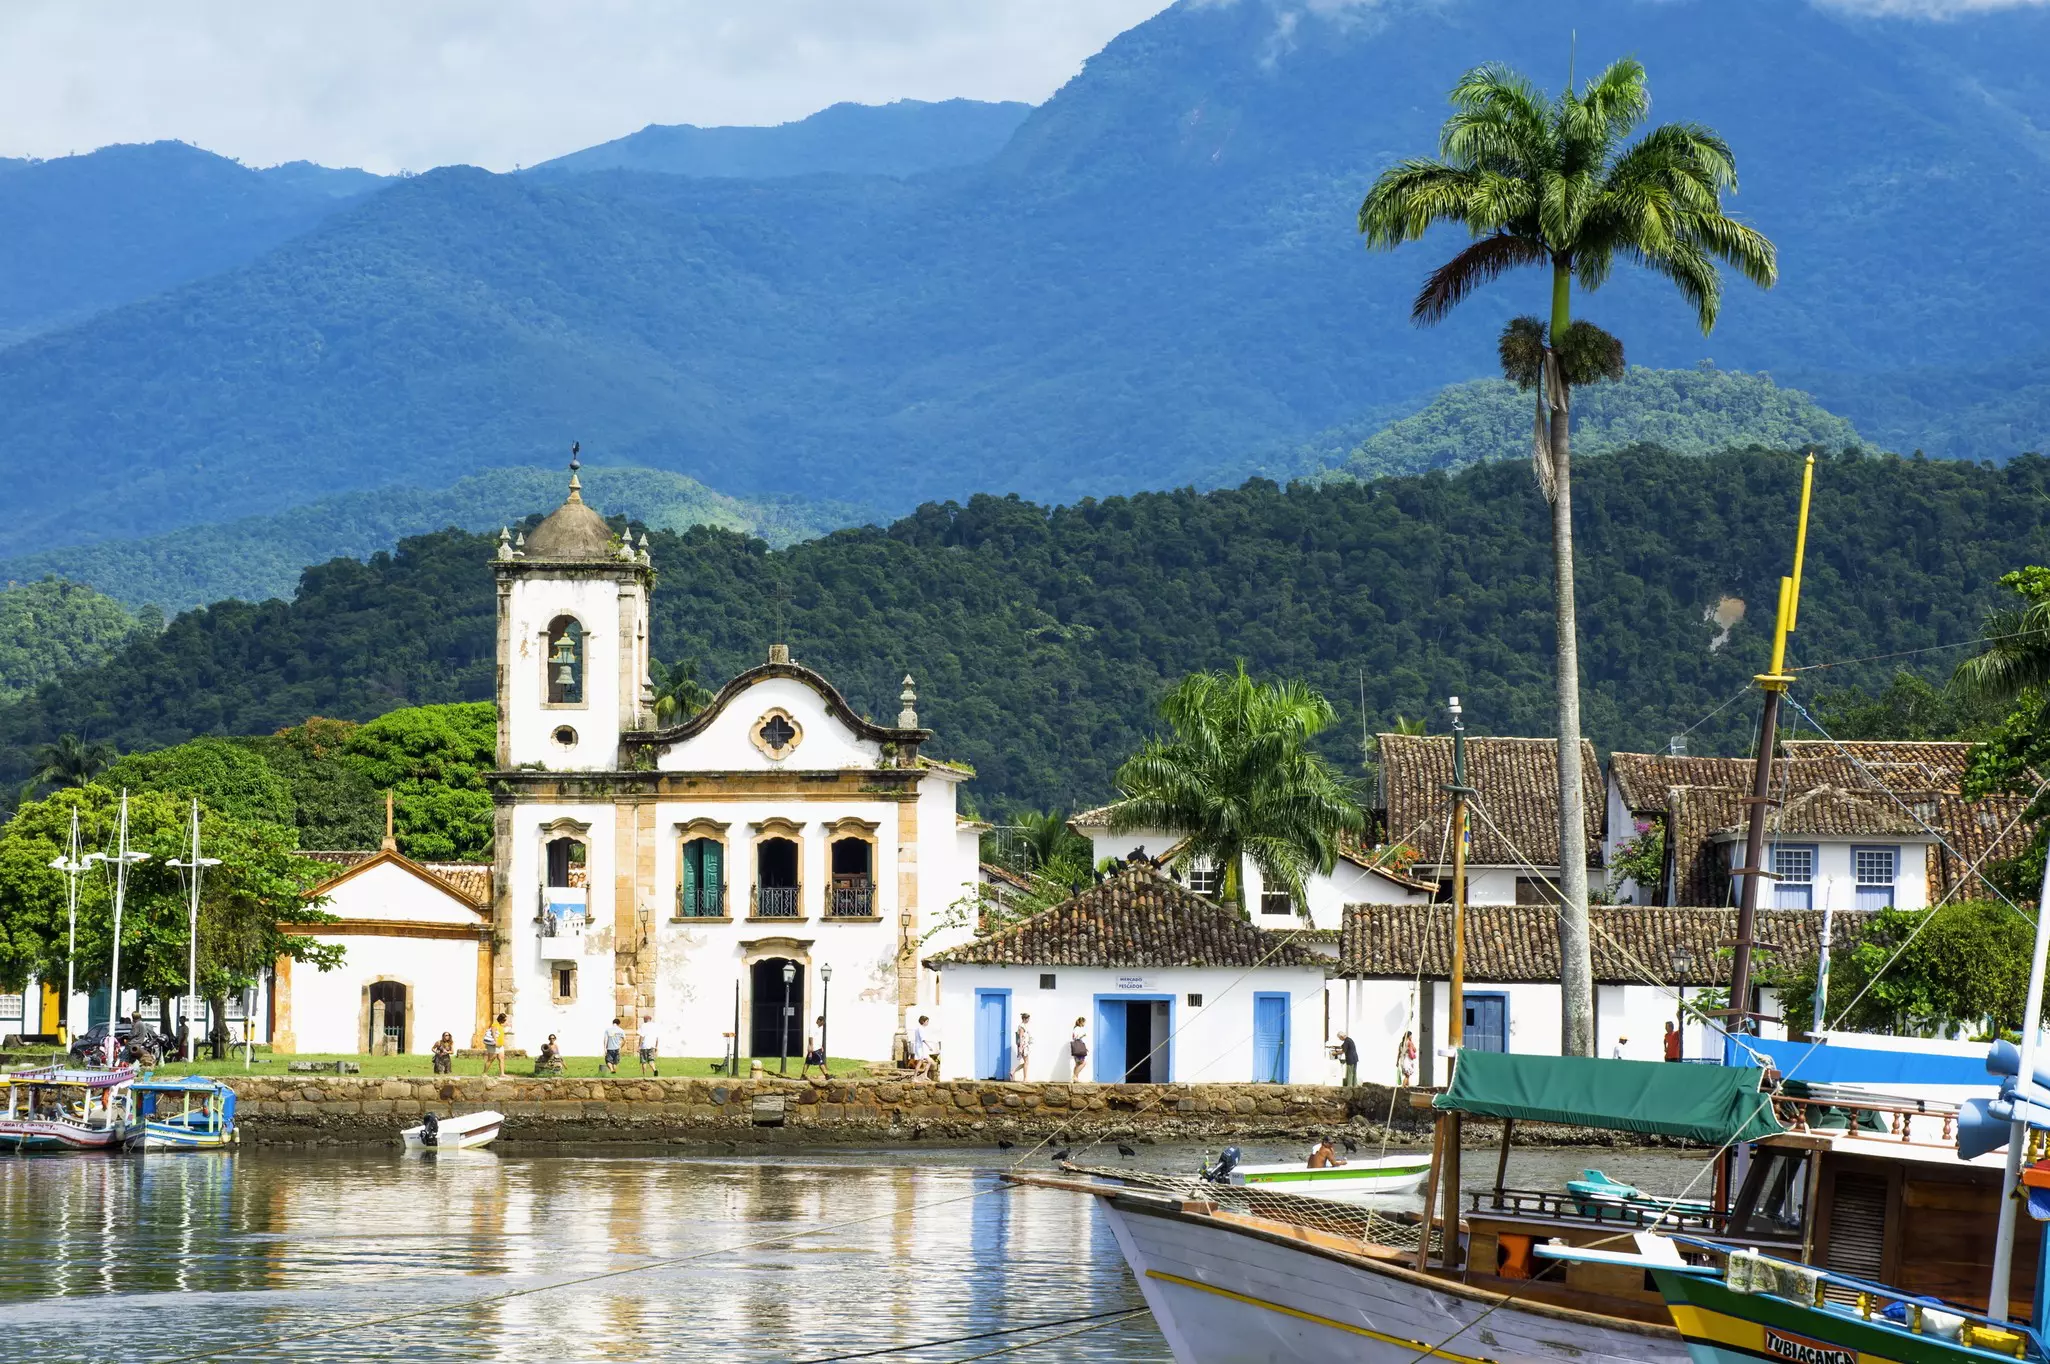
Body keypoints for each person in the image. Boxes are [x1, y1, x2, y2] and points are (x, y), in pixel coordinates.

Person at [910, 1015, 935, 1080]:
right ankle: (914, 1077)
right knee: (920, 1062)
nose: (928, 1022)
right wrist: (929, 1046)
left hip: (922, 1048)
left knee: (929, 1061)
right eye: (927, 1021)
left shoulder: (920, 1028)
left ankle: (925, 1075)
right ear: (923, 1021)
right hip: (920, 1048)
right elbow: (923, 1039)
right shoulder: (920, 1029)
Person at [484, 1013, 507, 1078]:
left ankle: (502, 1074)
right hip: (494, 1045)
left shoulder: (500, 1025)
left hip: (500, 1045)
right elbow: (493, 1033)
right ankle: (484, 1073)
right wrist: (495, 1041)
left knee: (501, 1058)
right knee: (491, 1059)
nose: (505, 1021)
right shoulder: (495, 1024)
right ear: (501, 1019)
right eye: (504, 1020)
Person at [1011, 1013, 1033, 1081]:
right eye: (1027, 1019)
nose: (1028, 1020)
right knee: (1026, 1062)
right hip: (1023, 1047)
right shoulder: (1021, 1027)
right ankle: (1025, 1078)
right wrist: (1020, 1048)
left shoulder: (1023, 1026)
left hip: (1024, 1046)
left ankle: (1013, 1071)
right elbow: (1020, 1038)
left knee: (1026, 1062)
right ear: (1024, 1019)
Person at [1069, 1017, 1089, 1081]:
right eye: (1084, 1022)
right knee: (1083, 1063)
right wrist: (1083, 1035)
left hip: (1077, 1048)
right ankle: (1074, 1076)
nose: (1085, 1023)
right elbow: (1076, 1037)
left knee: (1077, 1064)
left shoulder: (1075, 1028)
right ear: (1082, 1022)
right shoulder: (1078, 1028)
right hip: (1079, 1048)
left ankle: (1076, 1079)